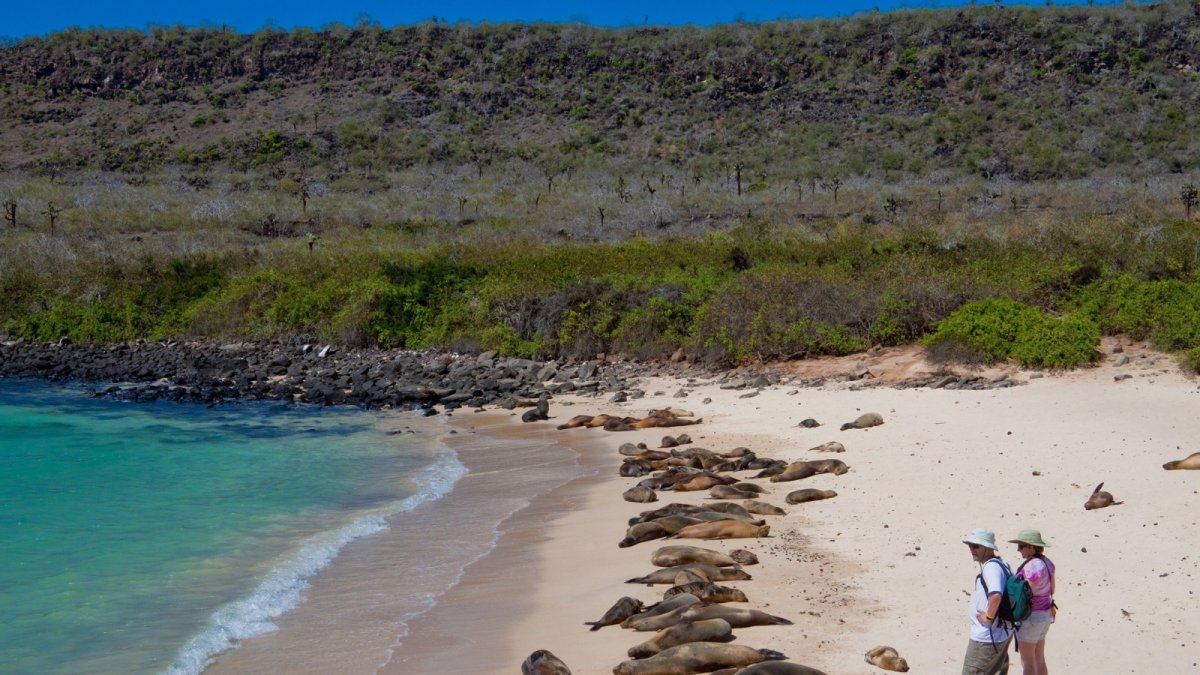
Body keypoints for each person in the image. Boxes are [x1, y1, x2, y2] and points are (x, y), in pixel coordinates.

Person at [963, 528, 1012, 675]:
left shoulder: (991, 568)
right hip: (1000, 634)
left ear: (988, 548)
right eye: (970, 545)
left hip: (986, 637)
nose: (972, 549)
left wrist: (989, 617)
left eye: (976, 546)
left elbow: (996, 595)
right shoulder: (1002, 564)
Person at [1009, 530, 1055, 675]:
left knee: (1027, 662)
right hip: (1045, 615)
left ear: (1030, 546)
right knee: (1040, 659)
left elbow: (1026, 592)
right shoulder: (1048, 563)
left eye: (1021, 546)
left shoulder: (1031, 566)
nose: (1018, 549)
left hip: (1031, 617)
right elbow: (1052, 588)